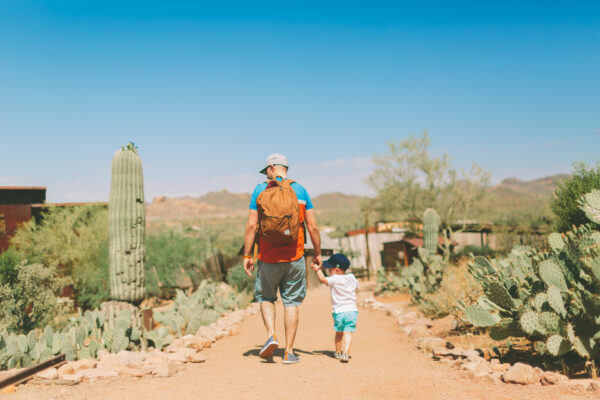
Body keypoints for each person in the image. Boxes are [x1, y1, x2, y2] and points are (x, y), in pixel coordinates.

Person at [243, 153, 322, 364]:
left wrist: (247, 255)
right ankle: (288, 352)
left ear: (271, 168)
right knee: (291, 303)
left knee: (266, 298)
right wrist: (317, 253)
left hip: (268, 257)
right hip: (294, 257)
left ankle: (271, 334)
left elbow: (252, 226)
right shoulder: (301, 190)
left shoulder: (260, 190)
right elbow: (313, 227)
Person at [312, 253, 359, 363]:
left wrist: (317, 269)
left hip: (339, 312)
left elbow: (323, 279)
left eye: (330, 269)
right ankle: (346, 353)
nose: (328, 271)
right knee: (348, 333)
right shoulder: (352, 277)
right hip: (352, 311)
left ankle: (338, 352)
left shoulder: (334, 279)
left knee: (339, 333)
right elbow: (356, 287)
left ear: (337, 269)